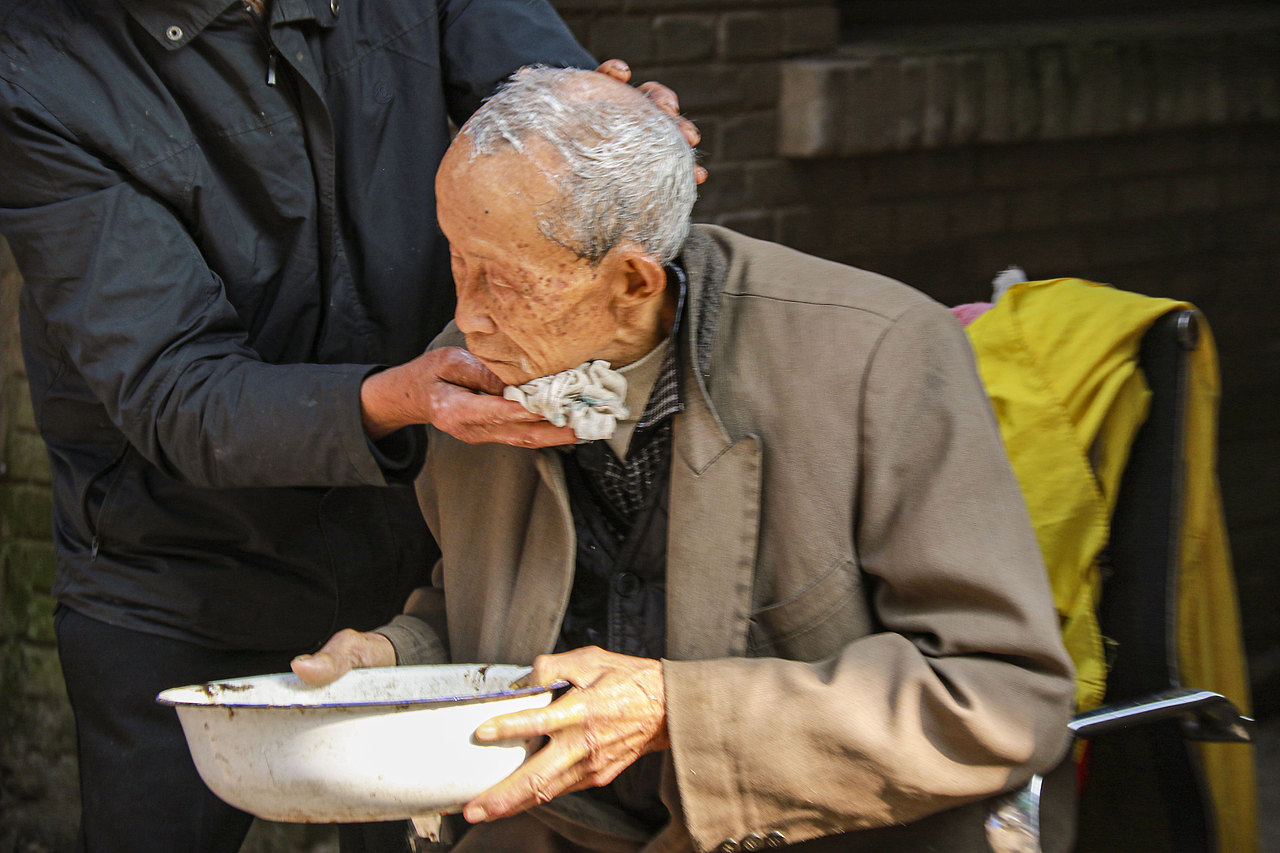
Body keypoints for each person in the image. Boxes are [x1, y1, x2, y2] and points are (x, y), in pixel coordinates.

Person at [297, 67, 1077, 853]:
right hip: (560, 827)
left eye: (502, 279)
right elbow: (494, 605)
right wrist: (401, 656)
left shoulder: (879, 357)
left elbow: (1002, 699)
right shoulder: (471, 379)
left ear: (633, 280)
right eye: (457, 259)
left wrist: (679, 710)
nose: (467, 316)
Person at [0, 1, 698, 850]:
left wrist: (614, 138)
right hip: (180, 567)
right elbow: (174, 388)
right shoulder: (35, 67)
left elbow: (547, 115)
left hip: (425, 552)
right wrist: (406, 397)